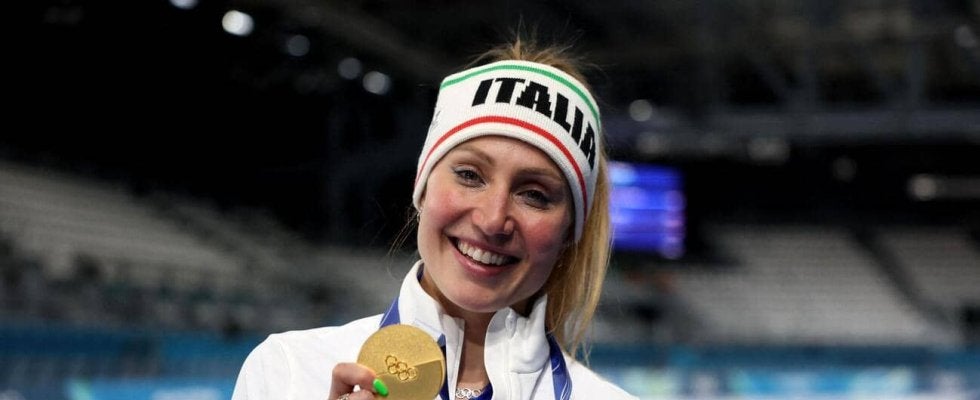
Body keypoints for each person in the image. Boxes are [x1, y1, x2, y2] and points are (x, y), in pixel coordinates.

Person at [232, 37, 636, 400]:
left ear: (569, 231)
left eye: (534, 195)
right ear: (422, 186)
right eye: (469, 175)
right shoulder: (287, 373)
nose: (493, 219)